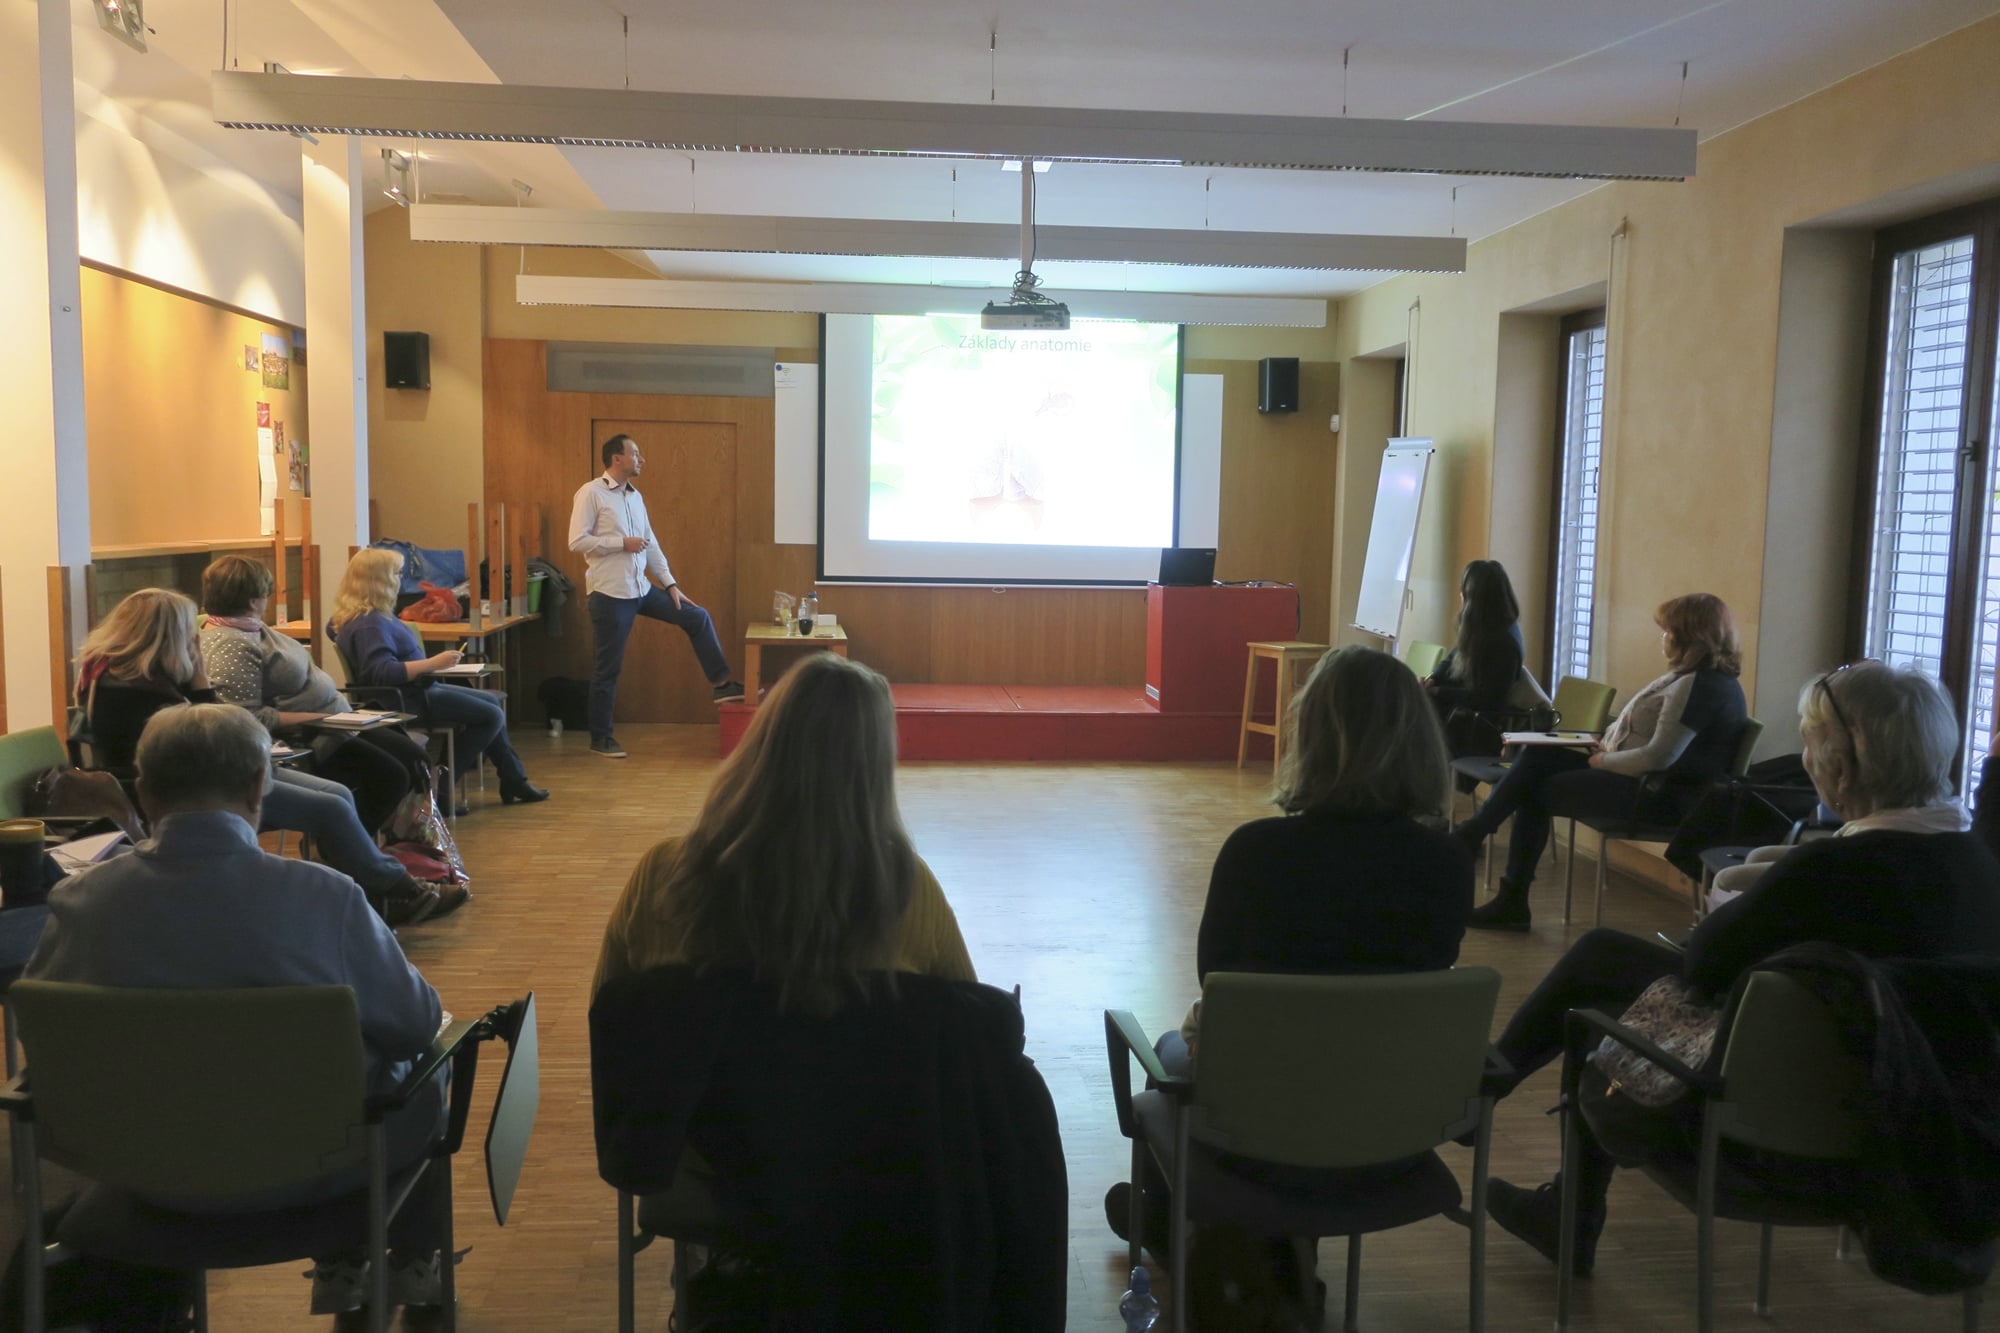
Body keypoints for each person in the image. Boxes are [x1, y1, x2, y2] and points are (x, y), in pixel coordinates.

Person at [1477, 661, 2000, 1276]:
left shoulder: (1828, 872)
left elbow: (1703, 965)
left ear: (1842, 767)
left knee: (1603, 982)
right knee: (1610, 960)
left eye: (1810, 745)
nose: (1805, 760)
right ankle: (1510, 1123)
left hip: (1762, 1140)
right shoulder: (1980, 868)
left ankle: (1521, 1145)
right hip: (1923, 1141)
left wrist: (1735, 900)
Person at [24, 703, 453, 1318]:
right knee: (429, 1056)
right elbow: (414, 1023)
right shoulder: (324, 897)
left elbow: (50, 1041)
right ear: (259, 787)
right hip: (312, 1167)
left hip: (141, 1170)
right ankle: (408, 1263)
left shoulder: (79, 902)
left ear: (143, 792)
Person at [1105, 646, 1475, 1259]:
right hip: (1390, 1132)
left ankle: (1172, 1225)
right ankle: (1271, 1249)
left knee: (1170, 1052)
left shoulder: (1257, 852)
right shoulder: (1448, 864)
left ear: (1312, 737)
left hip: (1254, 1128)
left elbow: (1215, 980)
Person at [594, 652, 973, 1007]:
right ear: (873, 770)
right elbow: (978, 1026)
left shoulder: (661, 876)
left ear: (761, 742)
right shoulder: (909, 891)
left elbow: (608, 1019)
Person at [77, 589, 459, 926]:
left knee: (339, 793)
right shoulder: (132, 693)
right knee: (331, 809)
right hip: (197, 790)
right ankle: (399, 891)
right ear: (167, 636)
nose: (195, 641)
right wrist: (200, 683)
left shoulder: (144, 677)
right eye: (189, 634)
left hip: (213, 772)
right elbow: (209, 735)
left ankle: (377, 890)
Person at [1456, 592, 1749, 930]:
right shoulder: (1700, 680)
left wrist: (1604, 761)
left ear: (1688, 637)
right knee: (1539, 754)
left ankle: (1498, 878)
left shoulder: (1701, 686)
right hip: (1641, 779)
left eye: (1669, 631)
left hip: (1658, 797)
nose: (1664, 638)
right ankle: (1481, 847)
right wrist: (1604, 748)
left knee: (1534, 788)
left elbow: (1658, 757)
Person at [198, 554, 429, 836]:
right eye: (265, 594)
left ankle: (383, 841)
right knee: (392, 776)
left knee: (412, 758)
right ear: (253, 600)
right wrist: (317, 717)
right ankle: (343, 849)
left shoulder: (247, 627)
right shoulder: (230, 644)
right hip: (312, 734)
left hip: (334, 720)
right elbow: (246, 717)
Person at [568, 433, 744, 760]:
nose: (641, 459)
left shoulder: (636, 497)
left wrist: (671, 584)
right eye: (635, 454)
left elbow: (652, 545)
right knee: (608, 669)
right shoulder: (591, 493)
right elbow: (577, 541)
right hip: (610, 594)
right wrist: (621, 543)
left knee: (697, 616)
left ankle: (722, 686)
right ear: (617, 458)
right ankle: (601, 738)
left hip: (642, 589)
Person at [329, 549, 548, 809]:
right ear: (379, 580)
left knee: (491, 704)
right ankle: (440, 789)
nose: (401, 579)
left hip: (415, 690)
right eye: (397, 574)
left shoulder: (365, 617)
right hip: (404, 699)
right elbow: (381, 672)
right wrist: (433, 663)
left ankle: (513, 779)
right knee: (491, 715)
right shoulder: (370, 624)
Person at [1425, 559, 1527, 756]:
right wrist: (1433, 679)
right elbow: (1451, 659)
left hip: (1477, 728)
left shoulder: (1504, 644)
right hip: (1460, 716)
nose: (1460, 595)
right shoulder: (1483, 630)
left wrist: (1437, 692)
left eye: (1464, 591)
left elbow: (1484, 698)